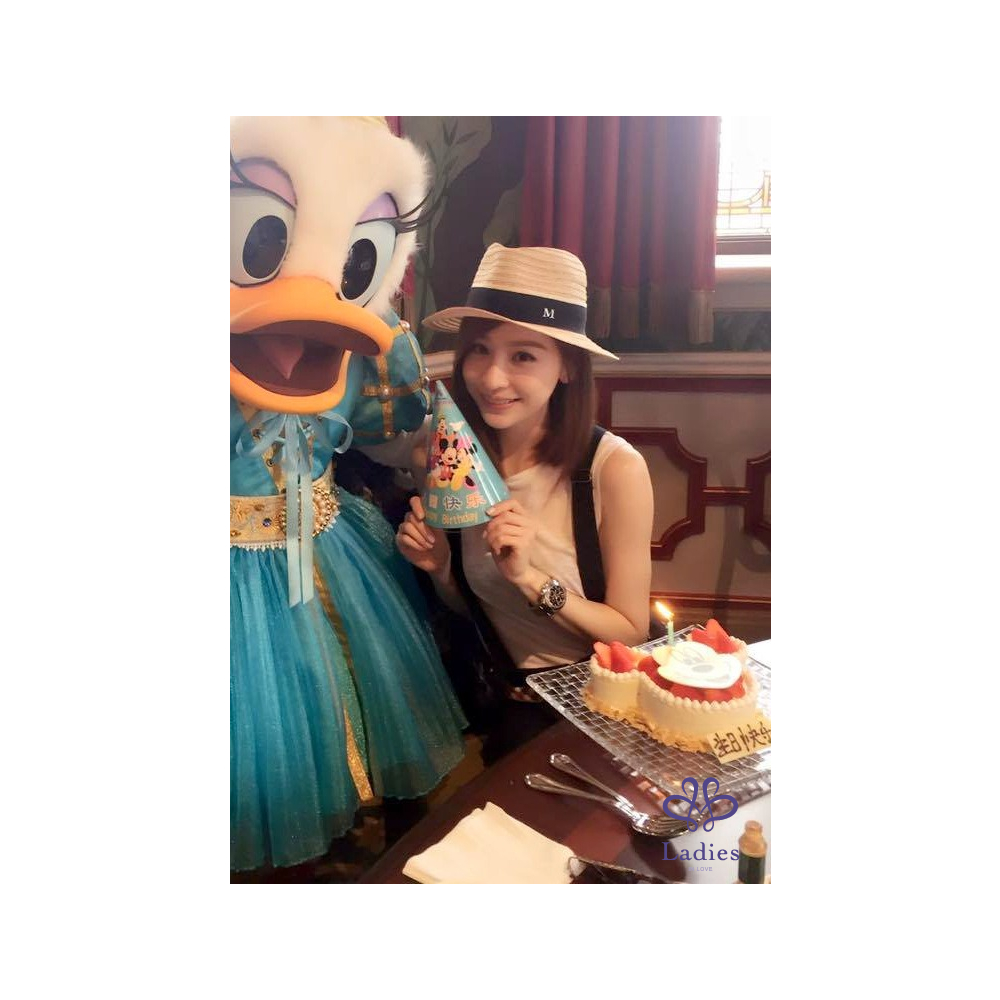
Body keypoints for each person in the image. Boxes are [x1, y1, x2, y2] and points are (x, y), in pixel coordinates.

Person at [395, 244, 654, 762]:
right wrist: (441, 569)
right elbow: (475, 606)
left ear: (568, 368)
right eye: (480, 350)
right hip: (503, 698)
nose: (492, 379)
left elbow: (631, 632)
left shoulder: (613, 470)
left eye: (523, 356)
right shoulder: (446, 457)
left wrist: (530, 578)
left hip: (599, 702)